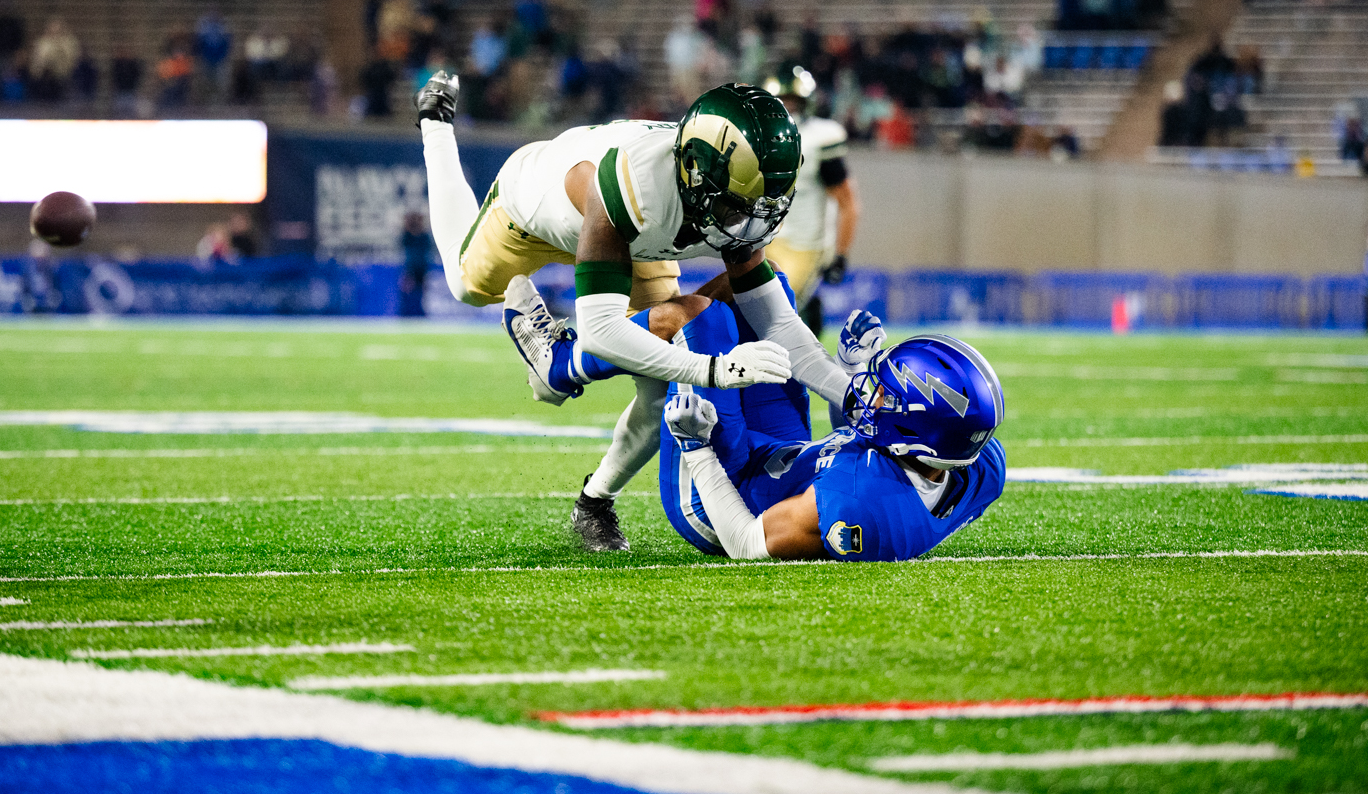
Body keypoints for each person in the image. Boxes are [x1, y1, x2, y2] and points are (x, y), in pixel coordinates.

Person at [416, 73, 851, 553]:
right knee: (465, 285)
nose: (749, 222)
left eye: (761, 205)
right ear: (695, 173)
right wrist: (714, 369)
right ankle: (436, 124)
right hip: (532, 213)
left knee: (662, 383)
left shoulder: (727, 194)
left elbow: (779, 323)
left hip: (633, 239)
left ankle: (594, 501)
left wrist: (856, 395)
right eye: (736, 205)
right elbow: (601, 332)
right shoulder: (635, 184)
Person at [659, 301, 1006, 561]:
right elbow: (859, 444)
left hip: (726, 497)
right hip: (784, 455)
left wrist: (697, 448)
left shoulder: (860, 500)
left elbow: (745, 543)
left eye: (886, 395)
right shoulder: (976, 462)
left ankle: (606, 341)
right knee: (758, 300)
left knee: (700, 319)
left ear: (913, 430)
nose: (874, 395)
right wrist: (849, 366)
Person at [763, 69, 860, 336]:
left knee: (776, 311)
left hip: (805, 243)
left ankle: (805, 321)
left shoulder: (821, 137)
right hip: (764, 239)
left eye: (794, 101)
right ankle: (807, 310)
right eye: (782, 100)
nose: (788, 108)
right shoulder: (758, 138)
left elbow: (848, 202)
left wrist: (839, 255)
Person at [399, 211, 434, 317]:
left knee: (422, 293)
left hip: (422, 268)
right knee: (407, 292)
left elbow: (428, 250)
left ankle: (421, 314)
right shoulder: (407, 235)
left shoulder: (424, 236)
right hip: (410, 268)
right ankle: (405, 314)